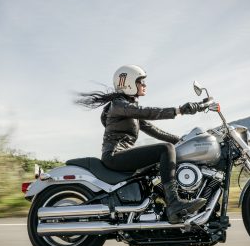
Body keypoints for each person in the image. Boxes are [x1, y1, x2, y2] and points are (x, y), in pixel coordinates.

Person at [77, 65, 206, 223]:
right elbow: (147, 112)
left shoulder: (128, 109)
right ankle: (174, 204)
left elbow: (155, 131)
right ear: (129, 83)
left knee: (166, 151)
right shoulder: (119, 105)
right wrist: (179, 110)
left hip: (121, 155)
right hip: (115, 156)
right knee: (166, 149)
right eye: (141, 82)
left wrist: (183, 140)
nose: (145, 85)